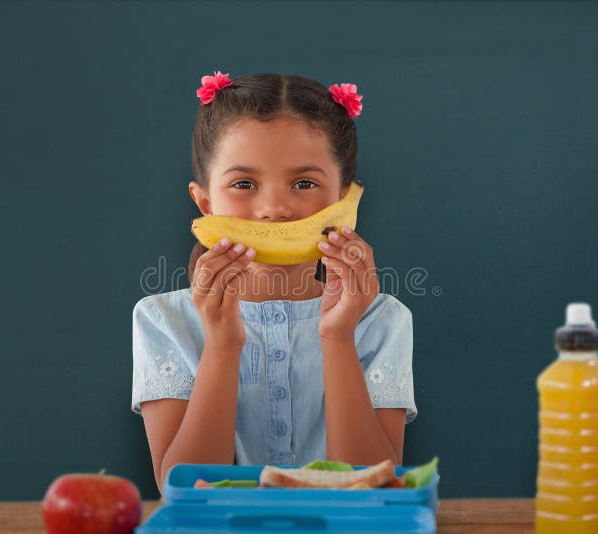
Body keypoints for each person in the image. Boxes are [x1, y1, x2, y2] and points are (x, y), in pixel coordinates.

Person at [131, 71, 417, 493]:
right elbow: (185, 488)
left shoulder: (381, 320)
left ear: (342, 203)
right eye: (244, 183)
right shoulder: (162, 320)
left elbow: (371, 485)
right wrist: (223, 346)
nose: (275, 208)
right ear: (206, 203)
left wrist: (337, 337)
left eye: (304, 183)